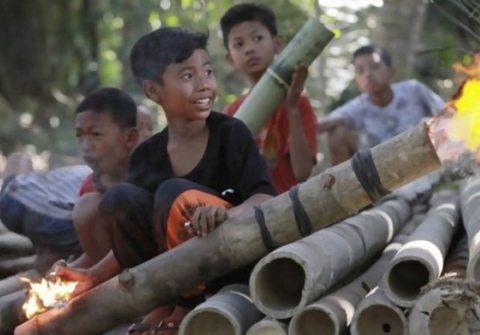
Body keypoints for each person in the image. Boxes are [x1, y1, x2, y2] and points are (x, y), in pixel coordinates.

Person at [57, 27, 277, 334]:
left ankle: (187, 305)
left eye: (208, 72)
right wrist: (92, 276)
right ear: (153, 91)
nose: (205, 85)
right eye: (188, 76)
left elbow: (265, 197)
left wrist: (228, 213)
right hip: (170, 278)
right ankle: (161, 301)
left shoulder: (231, 133)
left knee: (173, 193)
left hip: (226, 262)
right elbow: (139, 231)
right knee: (119, 199)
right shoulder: (147, 155)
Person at [220, 3, 318, 194]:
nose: (249, 49)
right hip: (249, 210)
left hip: (291, 205)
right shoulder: (232, 114)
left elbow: (302, 172)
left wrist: (292, 109)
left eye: (257, 38)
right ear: (230, 58)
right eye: (239, 44)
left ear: (277, 43)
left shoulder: (298, 103)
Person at [67, 91, 154, 269]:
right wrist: (71, 270)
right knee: (87, 206)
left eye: (96, 135)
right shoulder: (94, 184)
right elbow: (98, 249)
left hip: (161, 262)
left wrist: (94, 275)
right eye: (79, 135)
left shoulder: (153, 172)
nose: (85, 147)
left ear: (130, 138)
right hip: (118, 272)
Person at [319, 45, 446, 165]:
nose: (367, 75)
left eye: (374, 67)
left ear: (391, 71)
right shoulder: (358, 107)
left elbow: (446, 113)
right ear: (356, 81)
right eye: (360, 71)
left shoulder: (413, 89)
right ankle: (346, 185)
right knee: (336, 133)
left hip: (424, 159)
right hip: (381, 173)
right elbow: (325, 123)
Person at [0, 153, 91, 272]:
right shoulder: (106, 176)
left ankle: (45, 260)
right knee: (95, 235)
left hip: (11, 198)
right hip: (50, 221)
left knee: (19, 157)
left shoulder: (86, 170)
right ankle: (48, 262)